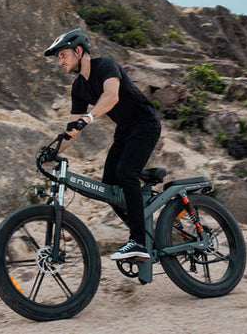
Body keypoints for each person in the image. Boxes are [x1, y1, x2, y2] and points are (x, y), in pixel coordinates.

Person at [44, 28, 161, 260]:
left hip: (145, 123)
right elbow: (71, 131)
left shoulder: (105, 65)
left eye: (62, 55)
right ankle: (142, 227)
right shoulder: (78, 88)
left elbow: (112, 96)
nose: (60, 61)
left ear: (78, 51)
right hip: (125, 130)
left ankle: (138, 241)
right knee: (109, 185)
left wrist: (88, 118)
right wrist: (51, 152)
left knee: (126, 173)